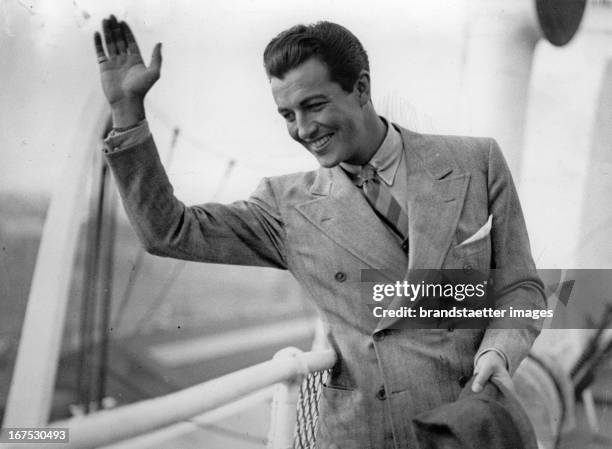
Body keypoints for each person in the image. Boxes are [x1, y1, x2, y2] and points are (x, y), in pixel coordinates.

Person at [94, 15, 546, 449]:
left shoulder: (475, 163)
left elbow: (521, 287)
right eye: (287, 114)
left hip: (467, 427)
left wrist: (499, 352)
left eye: (314, 105)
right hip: (365, 434)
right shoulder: (284, 206)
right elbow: (168, 231)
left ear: (361, 87)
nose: (304, 130)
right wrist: (126, 111)